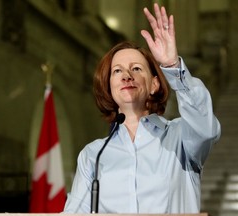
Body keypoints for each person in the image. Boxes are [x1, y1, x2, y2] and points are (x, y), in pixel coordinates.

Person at [63, 3, 221, 214]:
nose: (127, 75)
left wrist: (173, 66)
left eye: (136, 69)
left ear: (154, 84)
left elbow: (206, 126)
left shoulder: (180, 138)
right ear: (109, 87)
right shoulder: (93, 155)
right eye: (117, 71)